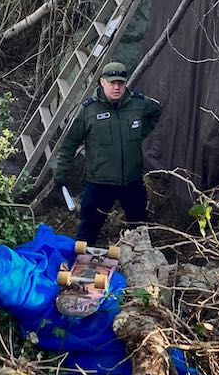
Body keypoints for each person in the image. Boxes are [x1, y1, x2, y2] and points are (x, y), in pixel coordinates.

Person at [51, 62, 162, 244]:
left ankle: (139, 265)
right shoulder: (89, 110)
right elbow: (69, 144)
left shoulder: (139, 104)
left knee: (140, 229)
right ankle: (80, 267)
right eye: (112, 83)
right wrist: (60, 173)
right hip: (100, 183)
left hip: (132, 182)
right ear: (102, 82)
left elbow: (156, 111)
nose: (117, 87)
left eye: (120, 82)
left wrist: (139, 134)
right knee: (87, 232)